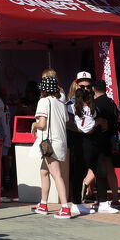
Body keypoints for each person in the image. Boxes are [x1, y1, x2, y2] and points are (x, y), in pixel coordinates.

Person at [71, 73, 119, 211]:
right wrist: (88, 128)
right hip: (80, 143)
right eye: (82, 86)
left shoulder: (94, 103)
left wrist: (99, 124)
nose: (86, 89)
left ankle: (103, 202)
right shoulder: (71, 104)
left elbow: (102, 121)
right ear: (77, 85)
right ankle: (76, 203)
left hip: (96, 143)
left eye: (88, 86)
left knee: (101, 170)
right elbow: (67, 123)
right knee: (80, 173)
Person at [33, 73, 76, 216]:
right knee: (44, 172)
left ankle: (65, 208)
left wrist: (34, 124)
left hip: (48, 143)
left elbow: (42, 123)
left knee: (56, 174)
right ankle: (43, 204)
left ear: (43, 90)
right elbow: (65, 120)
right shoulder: (61, 102)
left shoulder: (43, 102)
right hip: (60, 142)